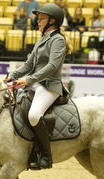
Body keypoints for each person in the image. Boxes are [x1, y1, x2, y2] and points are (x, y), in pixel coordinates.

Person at [5, 3, 72, 169]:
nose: (38, 21)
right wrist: (10, 77)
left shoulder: (58, 40)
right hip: (35, 85)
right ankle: (30, 150)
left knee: (34, 115)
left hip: (50, 86)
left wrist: (28, 80)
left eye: (42, 18)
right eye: (39, 18)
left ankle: (46, 157)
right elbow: (28, 64)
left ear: (53, 21)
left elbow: (52, 66)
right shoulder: (42, 39)